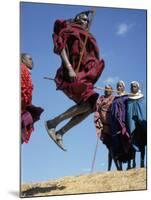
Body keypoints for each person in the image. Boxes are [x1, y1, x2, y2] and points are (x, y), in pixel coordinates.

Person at [45, 10, 105, 151]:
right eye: (83, 19)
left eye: (87, 21)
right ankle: (53, 123)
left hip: (82, 74)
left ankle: (59, 131)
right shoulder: (69, 29)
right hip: (69, 73)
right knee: (91, 101)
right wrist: (69, 67)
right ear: (77, 18)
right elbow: (60, 48)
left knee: (92, 105)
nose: (85, 22)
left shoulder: (87, 35)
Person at [21, 53, 44, 144]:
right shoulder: (21, 70)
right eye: (30, 59)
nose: (32, 61)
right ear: (23, 60)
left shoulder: (25, 72)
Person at [94, 85, 117, 170]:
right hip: (105, 127)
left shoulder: (114, 99)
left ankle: (112, 167)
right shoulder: (101, 99)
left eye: (109, 89)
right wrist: (98, 120)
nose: (107, 90)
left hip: (113, 127)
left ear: (112, 90)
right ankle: (112, 167)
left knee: (112, 147)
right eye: (105, 89)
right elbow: (97, 110)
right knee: (110, 147)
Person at [110, 81, 132, 168]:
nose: (119, 88)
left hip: (124, 122)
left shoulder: (126, 97)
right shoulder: (114, 99)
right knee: (118, 143)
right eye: (118, 86)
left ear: (123, 87)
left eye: (120, 86)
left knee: (127, 140)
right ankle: (120, 166)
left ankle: (130, 164)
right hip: (115, 124)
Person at [126, 81, 146, 167]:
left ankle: (142, 162)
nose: (133, 88)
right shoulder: (129, 99)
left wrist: (141, 119)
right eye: (131, 86)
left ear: (138, 87)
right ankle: (133, 162)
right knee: (133, 143)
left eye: (134, 86)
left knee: (142, 143)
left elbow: (144, 110)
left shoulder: (142, 98)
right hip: (133, 126)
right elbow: (128, 112)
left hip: (141, 125)